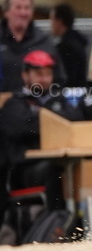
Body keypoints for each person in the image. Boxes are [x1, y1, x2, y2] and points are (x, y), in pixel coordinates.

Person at [0, 50, 81, 212]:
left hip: (61, 161)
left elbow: (76, 121)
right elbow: (22, 128)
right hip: (24, 169)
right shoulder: (15, 103)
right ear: (25, 75)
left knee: (80, 168)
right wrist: (52, 122)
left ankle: (82, 217)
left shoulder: (59, 100)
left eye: (48, 74)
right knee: (52, 170)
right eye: (38, 74)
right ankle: (57, 219)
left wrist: (41, 121)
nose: (44, 79)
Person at [1, 0, 65, 92]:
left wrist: (47, 99)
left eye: (27, 8)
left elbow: (59, 79)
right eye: (18, 7)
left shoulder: (44, 41)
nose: (23, 12)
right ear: (6, 12)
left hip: (36, 101)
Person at [50, 3, 87, 88]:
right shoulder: (78, 42)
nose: (51, 24)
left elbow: (67, 78)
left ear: (59, 21)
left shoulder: (65, 47)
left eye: (52, 20)